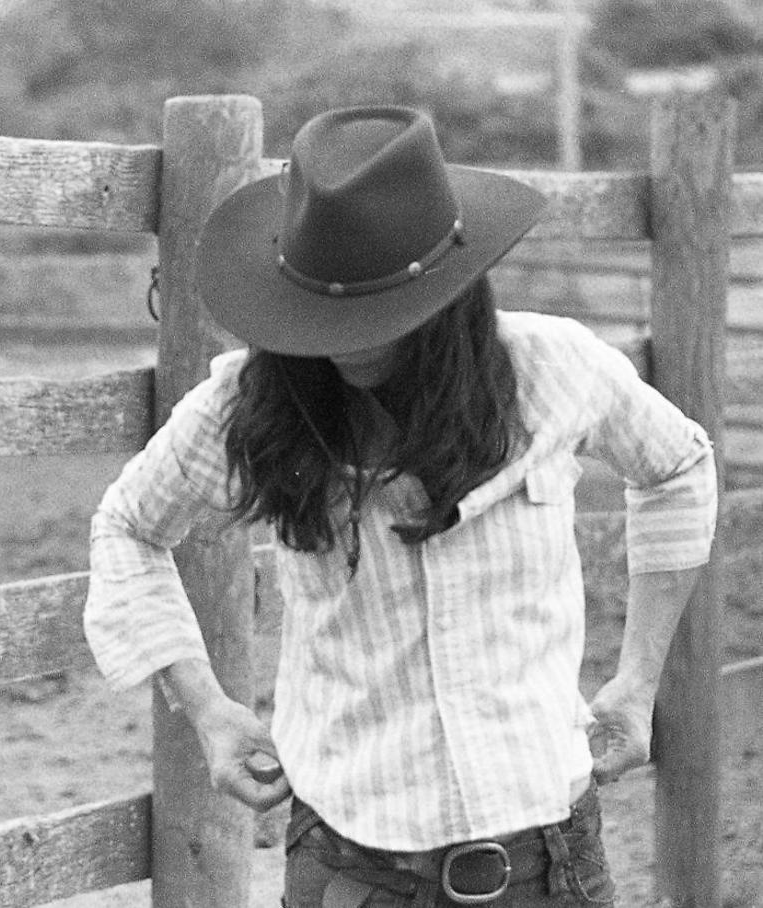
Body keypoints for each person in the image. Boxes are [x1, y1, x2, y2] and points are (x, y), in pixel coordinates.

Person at [83, 106, 718, 906]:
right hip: (350, 867)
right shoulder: (247, 408)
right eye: (324, 312)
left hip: (546, 860)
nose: (347, 340)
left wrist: (637, 678)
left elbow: (679, 467)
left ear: (450, 292)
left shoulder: (558, 372)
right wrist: (207, 709)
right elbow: (128, 525)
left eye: (378, 312)